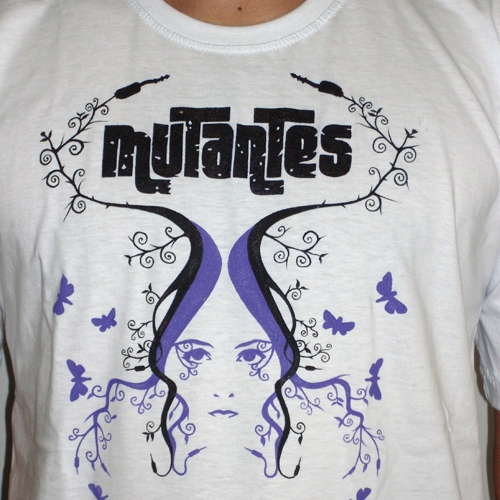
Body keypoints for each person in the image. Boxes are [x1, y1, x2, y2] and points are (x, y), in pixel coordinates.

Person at [0, 0, 499, 498]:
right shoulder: (16, 42)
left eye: (254, 354)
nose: (223, 384)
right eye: (194, 353)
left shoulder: (478, 40)